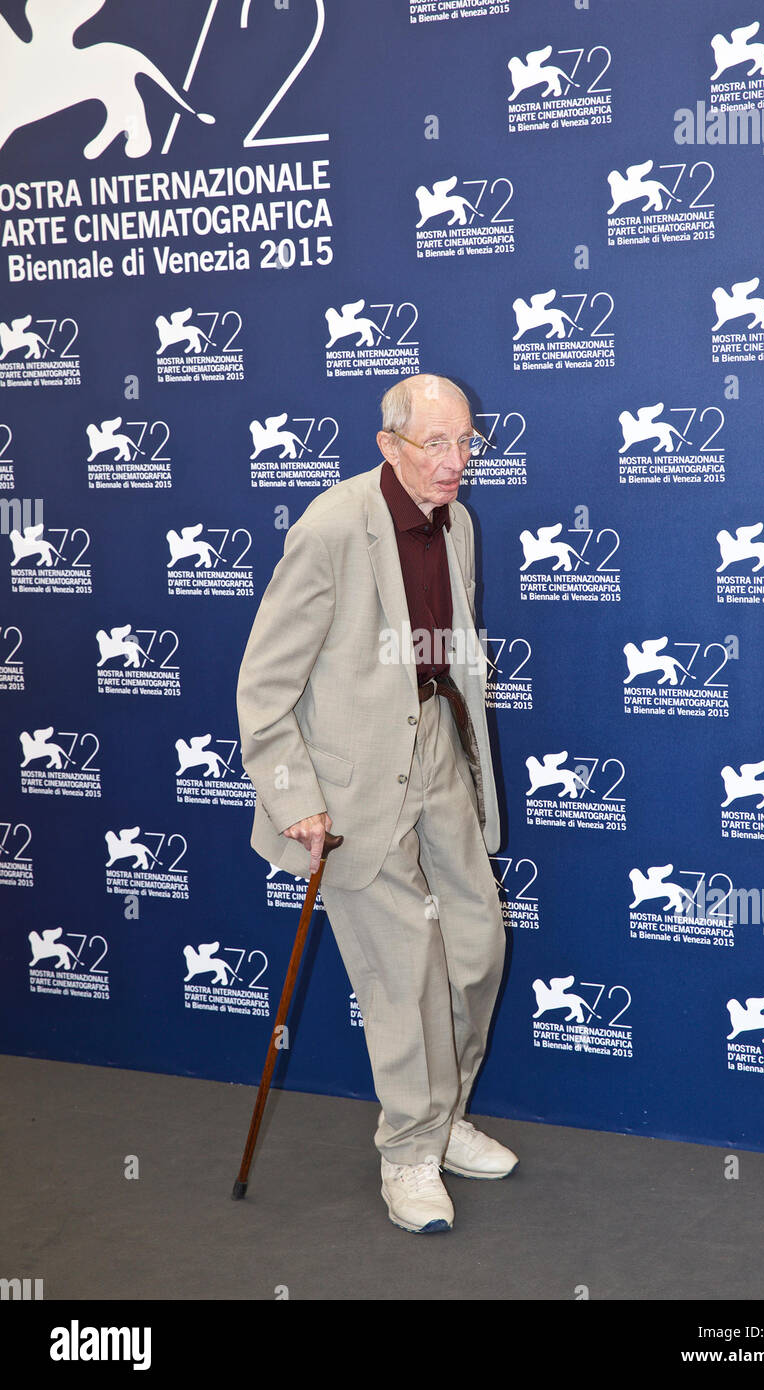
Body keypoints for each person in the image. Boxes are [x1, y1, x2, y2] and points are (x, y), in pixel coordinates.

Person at [236, 373, 516, 1233]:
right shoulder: (331, 529)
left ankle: (445, 1114)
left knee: (476, 946)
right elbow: (264, 682)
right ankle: (408, 1153)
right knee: (403, 977)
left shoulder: (458, 523)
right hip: (352, 784)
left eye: (467, 442)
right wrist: (295, 798)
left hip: (435, 750)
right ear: (389, 446)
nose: (456, 461)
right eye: (437, 444)